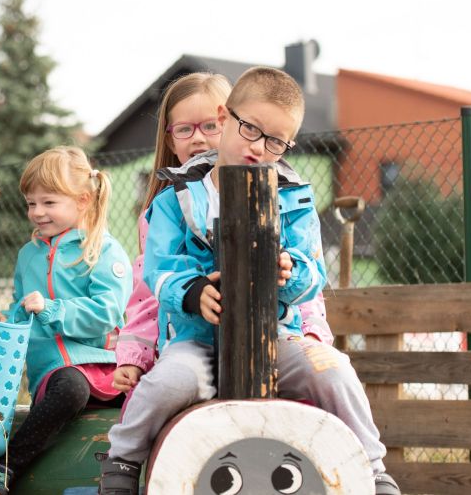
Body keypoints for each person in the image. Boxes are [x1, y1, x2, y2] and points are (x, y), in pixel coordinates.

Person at [100, 67, 399, 495]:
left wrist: (289, 272)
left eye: (276, 141)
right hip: (198, 340)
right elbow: (159, 267)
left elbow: (314, 273)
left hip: (275, 336)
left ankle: (372, 468)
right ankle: (123, 461)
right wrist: (193, 291)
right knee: (167, 383)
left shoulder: (294, 199)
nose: (260, 148)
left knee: (334, 370)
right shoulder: (176, 200)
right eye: (251, 130)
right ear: (225, 118)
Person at [0, 146, 131, 495]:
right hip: (59, 370)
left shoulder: (103, 249)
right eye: (31, 203)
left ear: (83, 200)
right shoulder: (27, 255)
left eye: (49, 202)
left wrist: (53, 309)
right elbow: (21, 311)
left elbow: (108, 313)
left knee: (146, 393)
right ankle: (7, 466)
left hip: (106, 363)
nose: (37, 212)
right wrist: (4, 320)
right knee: (71, 388)